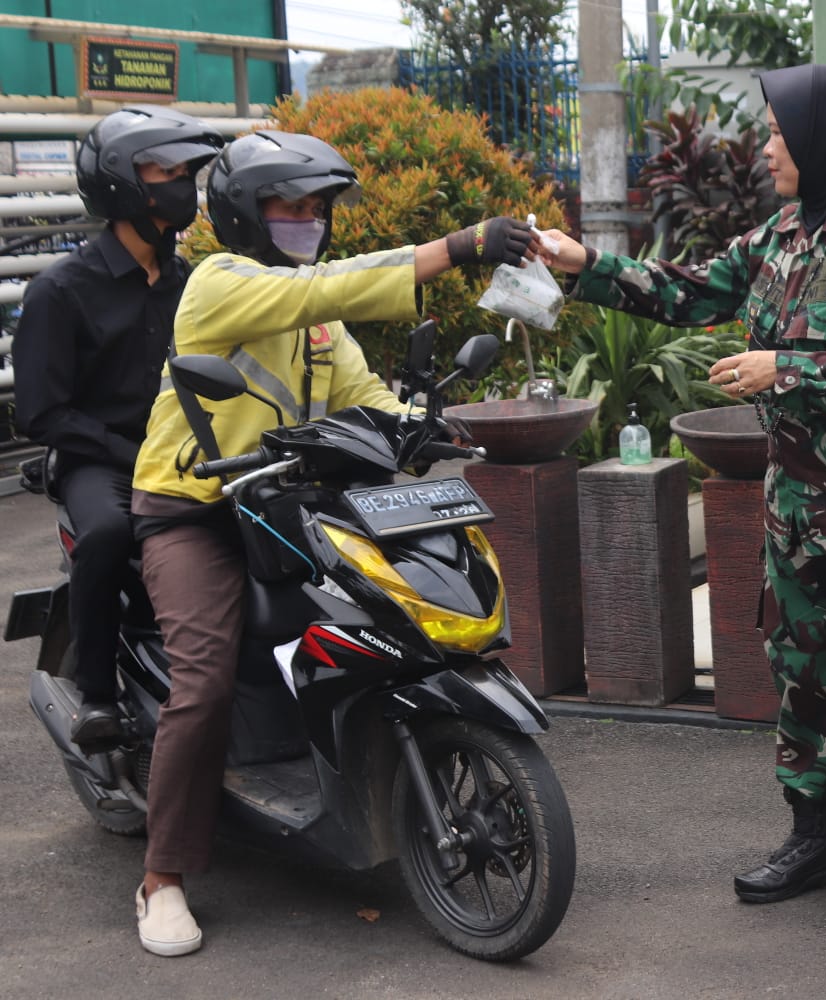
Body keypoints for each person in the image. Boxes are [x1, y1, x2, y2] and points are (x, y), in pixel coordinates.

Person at [539, 64, 826, 923]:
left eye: (783, 134)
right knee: (806, 675)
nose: (769, 147)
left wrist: (780, 366)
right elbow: (689, 288)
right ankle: (820, 839)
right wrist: (584, 265)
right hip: (798, 511)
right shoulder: (782, 236)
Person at [127, 129, 536, 957]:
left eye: (316, 209)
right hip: (196, 507)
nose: (307, 220)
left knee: (380, 622)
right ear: (245, 213)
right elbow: (322, 290)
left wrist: (423, 426)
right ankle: (163, 877)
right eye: (290, 206)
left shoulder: (318, 325)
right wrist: (457, 247)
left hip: (289, 502)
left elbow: (362, 389)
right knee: (203, 676)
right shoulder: (219, 283)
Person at [12, 106, 224, 747]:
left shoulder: (190, 282)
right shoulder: (61, 290)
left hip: (188, 452)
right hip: (98, 460)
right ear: (121, 183)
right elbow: (41, 412)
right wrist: (127, 451)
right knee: (106, 534)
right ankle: (99, 697)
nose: (182, 183)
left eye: (189, 171)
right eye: (167, 170)